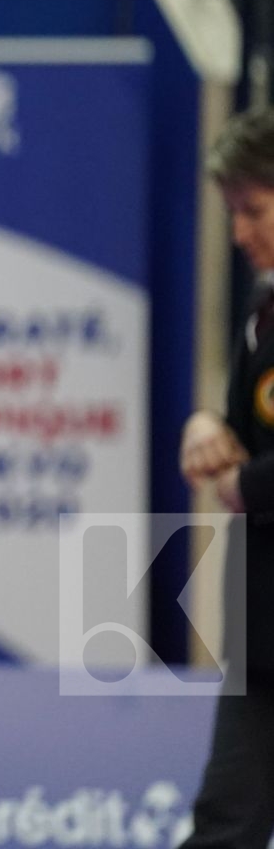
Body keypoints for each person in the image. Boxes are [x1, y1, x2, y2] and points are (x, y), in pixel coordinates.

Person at [178, 107, 274, 847]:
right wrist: (210, 428)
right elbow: (250, 431)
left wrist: (246, 487)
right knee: (224, 824)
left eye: (254, 210)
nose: (240, 233)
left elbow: (252, 476)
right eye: (232, 214)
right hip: (263, 634)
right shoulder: (260, 309)